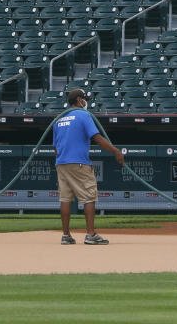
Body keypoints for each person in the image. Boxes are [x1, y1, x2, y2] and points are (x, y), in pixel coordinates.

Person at [53, 88, 124, 245]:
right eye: (85, 99)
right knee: (89, 197)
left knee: (65, 199)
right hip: (79, 162)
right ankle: (91, 235)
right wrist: (115, 151)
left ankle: (66, 235)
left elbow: (56, 148)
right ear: (79, 100)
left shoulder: (59, 119)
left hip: (61, 163)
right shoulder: (84, 115)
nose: (86, 102)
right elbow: (97, 138)